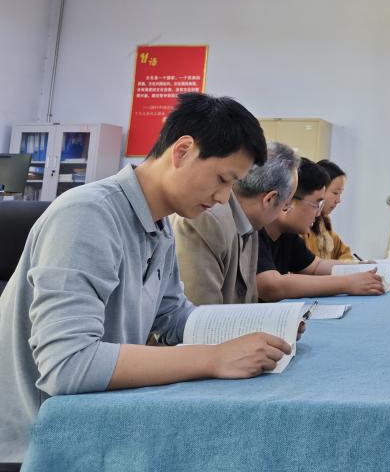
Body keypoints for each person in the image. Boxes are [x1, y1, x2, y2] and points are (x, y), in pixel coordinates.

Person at [0, 93, 294, 464]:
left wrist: (270, 323)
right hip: (37, 444)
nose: (223, 198)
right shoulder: (87, 215)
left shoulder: (159, 226)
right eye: (222, 180)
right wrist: (213, 358)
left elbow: (174, 319)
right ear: (183, 151)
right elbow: (68, 364)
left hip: (97, 421)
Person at [173, 141, 299, 305]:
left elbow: (248, 301)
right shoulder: (207, 220)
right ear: (270, 199)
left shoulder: (249, 224)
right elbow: (201, 312)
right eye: (286, 204)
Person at [255, 158, 385, 301]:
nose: (318, 214)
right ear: (288, 201)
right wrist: (347, 283)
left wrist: (358, 269)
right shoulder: (255, 232)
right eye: (316, 204)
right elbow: (272, 286)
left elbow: (316, 266)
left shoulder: (286, 234)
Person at [303, 159, 356, 261]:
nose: (338, 200)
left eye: (340, 194)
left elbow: (344, 253)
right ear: (320, 190)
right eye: (335, 193)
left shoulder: (324, 222)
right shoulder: (303, 224)